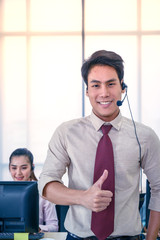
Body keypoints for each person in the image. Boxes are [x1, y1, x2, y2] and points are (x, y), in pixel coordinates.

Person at [38, 50, 160, 240]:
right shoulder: (66, 133)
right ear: (87, 91)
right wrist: (82, 197)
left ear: (122, 87)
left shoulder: (145, 136)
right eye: (96, 85)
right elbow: (45, 185)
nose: (104, 93)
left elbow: (159, 188)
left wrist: (151, 238)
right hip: (78, 236)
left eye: (111, 84)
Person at [9, 148, 59, 232]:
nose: (18, 173)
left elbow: (54, 227)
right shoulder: (4, 192)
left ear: (32, 168)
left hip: (33, 236)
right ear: (9, 168)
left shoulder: (43, 191)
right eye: (14, 168)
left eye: (24, 168)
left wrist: (38, 228)